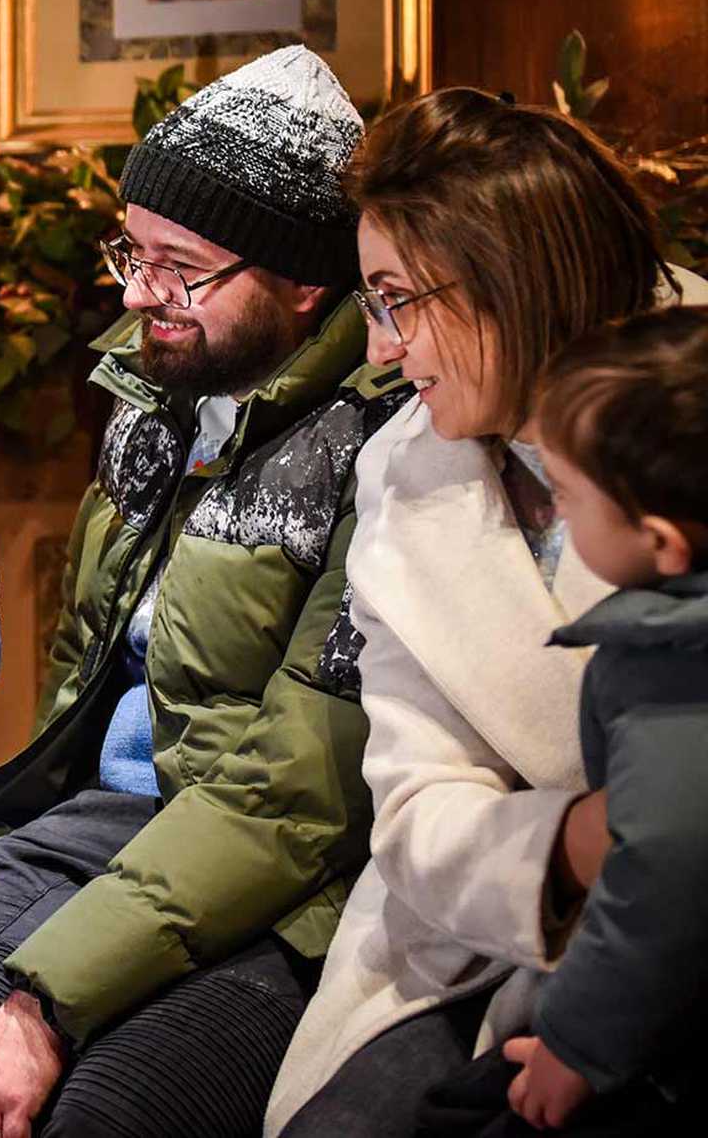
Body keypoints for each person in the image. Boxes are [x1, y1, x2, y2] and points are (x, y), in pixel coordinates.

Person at [0, 43, 411, 1138]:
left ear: (305, 281)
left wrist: (47, 999)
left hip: (285, 888)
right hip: (100, 827)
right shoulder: (154, 404)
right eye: (133, 249)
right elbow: (83, 683)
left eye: (181, 266)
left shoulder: (385, 444)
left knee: (94, 1111)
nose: (134, 290)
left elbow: (296, 791)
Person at [267, 88, 708, 1136]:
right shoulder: (397, 473)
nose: (378, 349)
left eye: (392, 299)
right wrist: (581, 842)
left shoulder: (689, 404)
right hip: (486, 941)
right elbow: (416, 811)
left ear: (509, 279)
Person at [413, 307, 708, 1136]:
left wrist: (577, 1045)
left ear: (660, 542)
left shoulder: (675, 672)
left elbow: (664, 875)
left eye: (572, 499)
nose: (562, 518)